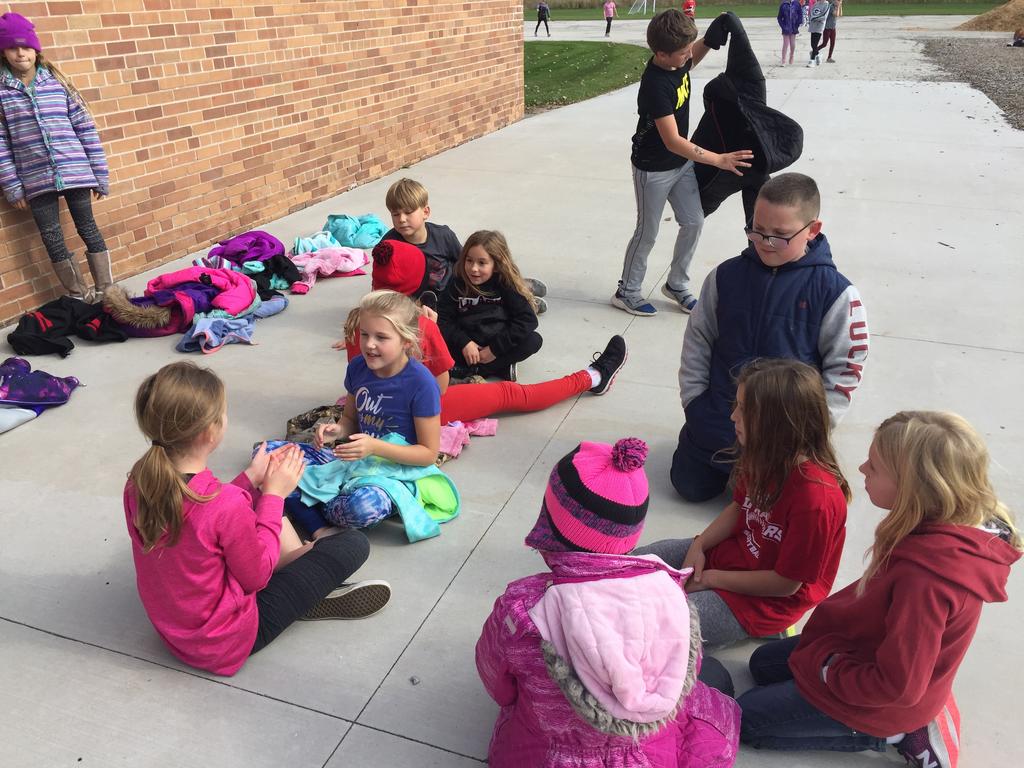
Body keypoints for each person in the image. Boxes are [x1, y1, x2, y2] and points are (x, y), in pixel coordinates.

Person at [737, 411, 1021, 768]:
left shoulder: (928, 581)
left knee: (744, 719)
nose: (861, 469)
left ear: (912, 488)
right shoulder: (935, 522)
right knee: (762, 665)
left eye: (873, 467)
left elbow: (897, 686)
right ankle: (921, 699)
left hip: (883, 699)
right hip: (868, 649)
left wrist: (827, 668)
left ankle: (902, 732)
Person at [476, 437, 741, 767]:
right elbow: (681, 678)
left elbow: (498, 685)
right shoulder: (672, 599)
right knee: (715, 678)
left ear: (552, 523)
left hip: (544, 757)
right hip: (647, 757)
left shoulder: (520, 610)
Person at [123, 362, 389, 676]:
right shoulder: (226, 504)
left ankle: (304, 575)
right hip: (229, 640)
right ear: (210, 432)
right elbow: (257, 577)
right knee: (352, 543)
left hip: (177, 631)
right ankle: (308, 586)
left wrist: (251, 478)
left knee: (262, 503)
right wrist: (274, 495)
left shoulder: (138, 483)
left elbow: (203, 519)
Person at [673, 172, 868, 503]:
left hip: (783, 438)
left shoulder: (836, 294)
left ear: (812, 230)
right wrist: (694, 402)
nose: (765, 242)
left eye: (780, 235)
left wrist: (811, 432)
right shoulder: (725, 276)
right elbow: (698, 340)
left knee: (766, 504)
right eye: (757, 229)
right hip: (716, 422)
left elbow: (844, 371)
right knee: (688, 487)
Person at [636, 359, 849, 646]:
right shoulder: (764, 454)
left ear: (779, 424)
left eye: (744, 410)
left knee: (656, 623)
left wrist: (709, 579)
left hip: (761, 601)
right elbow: (739, 508)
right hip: (730, 557)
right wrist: (700, 545)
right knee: (634, 563)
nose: (733, 416)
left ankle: (762, 630)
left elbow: (786, 584)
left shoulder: (816, 501)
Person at [344, 239, 630, 425]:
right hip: (419, 412)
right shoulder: (422, 325)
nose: (371, 344)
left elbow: (357, 386)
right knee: (513, 394)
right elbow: (438, 388)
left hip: (375, 408)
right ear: (419, 279)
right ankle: (594, 376)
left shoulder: (356, 323)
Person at [612, 10, 754, 317]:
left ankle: (676, 284)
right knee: (647, 232)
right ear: (662, 54)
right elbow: (673, 140)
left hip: (680, 165)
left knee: (694, 221)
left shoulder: (676, 61)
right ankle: (627, 291)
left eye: (689, 49)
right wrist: (719, 159)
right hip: (652, 169)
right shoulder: (655, 85)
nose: (689, 55)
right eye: (683, 52)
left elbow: (691, 58)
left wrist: (710, 40)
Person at [299, 290, 441, 535]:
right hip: (356, 462)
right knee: (270, 455)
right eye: (364, 334)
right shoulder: (358, 367)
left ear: (406, 341)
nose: (369, 344)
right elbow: (350, 420)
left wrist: (375, 447)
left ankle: (307, 504)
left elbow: (428, 454)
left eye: (381, 337)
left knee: (363, 508)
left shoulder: (422, 384)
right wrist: (336, 431)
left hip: (397, 472)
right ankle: (318, 502)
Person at [0, 12, 114, 302]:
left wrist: (99, 174)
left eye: (26, 46)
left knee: (88, 227)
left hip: (75, 171)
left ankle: (106, 291)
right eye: (13, 47)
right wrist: (12, 185)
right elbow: (1, 144)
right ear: (3, 52)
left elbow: (85, 128)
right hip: (35, 178)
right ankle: (78, 296)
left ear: (36, 49)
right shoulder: (2, 93)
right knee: (51, 236)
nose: (21, 53)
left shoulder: (57, 83)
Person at [381, 177, 547, 311]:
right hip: (422, 302)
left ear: (425, 212)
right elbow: (384, 283)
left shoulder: (443, 235)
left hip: (457, 288)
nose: (402, 219)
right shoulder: (389, 245)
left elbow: (466, 262)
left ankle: (521, 291)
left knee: (485, 282)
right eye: (395, 214)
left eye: (408, 212)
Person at [437, 230, 543, 382]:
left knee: (533, 340)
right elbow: (443, 318)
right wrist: (464, 342)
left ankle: (473, 371)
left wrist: (494, 349)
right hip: (466, 346)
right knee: (430, 337)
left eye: (482, 263)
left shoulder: (505, 284)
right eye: (469, 260)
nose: (474, 268)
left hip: (496, 343)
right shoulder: (457, 282)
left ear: (496, 265)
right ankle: (500, 368)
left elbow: (527, 320)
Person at [806, 0, 831, 67]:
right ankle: (818, 54)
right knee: (812, 44)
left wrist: (814, 18)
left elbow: (824, 16)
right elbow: (811, 13)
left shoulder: (826, 4)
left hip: (819, 26)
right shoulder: (816, 4)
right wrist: (811, 18)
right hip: (813, 25)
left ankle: (812, 60)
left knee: (815, 43)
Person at [777, 0, 802, 65]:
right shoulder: (783, 4)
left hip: (794, 27)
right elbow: (779, 17)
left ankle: (791, 55)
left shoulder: (796, 3)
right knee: (785, 44)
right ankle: (783, 60)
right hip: (786, 27)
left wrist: (797, 24)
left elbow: (800, 14)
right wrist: (783, 26)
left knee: (792, 44)